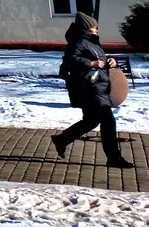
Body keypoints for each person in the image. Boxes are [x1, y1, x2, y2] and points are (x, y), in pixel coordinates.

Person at [52, 12, 134, 169]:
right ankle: (114, 158)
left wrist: (111, 61)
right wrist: (91, 64)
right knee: (108, 121)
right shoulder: (77, 42)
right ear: (86, 28)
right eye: (93, 27)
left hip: (99, 87)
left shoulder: (92, 43)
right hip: (89, 88)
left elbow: (100, 60)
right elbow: (72, 60)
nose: (96, 30)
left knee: (91, 121)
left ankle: (62, 140)